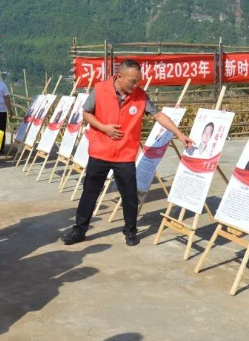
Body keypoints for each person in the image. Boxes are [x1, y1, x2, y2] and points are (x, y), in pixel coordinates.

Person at [61, 60, 193, 247]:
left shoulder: (140, 96)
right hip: (100, 152)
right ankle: (79, 230)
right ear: (119, 77)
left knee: (129, 195)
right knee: (90, 192)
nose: (135, 85)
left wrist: (179, 133)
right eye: (132, 81)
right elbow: (86, 113)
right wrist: (104, 128)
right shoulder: (100, 89)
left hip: (125, 155)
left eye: (138, 81)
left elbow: (158, 115)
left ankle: (130, 231)